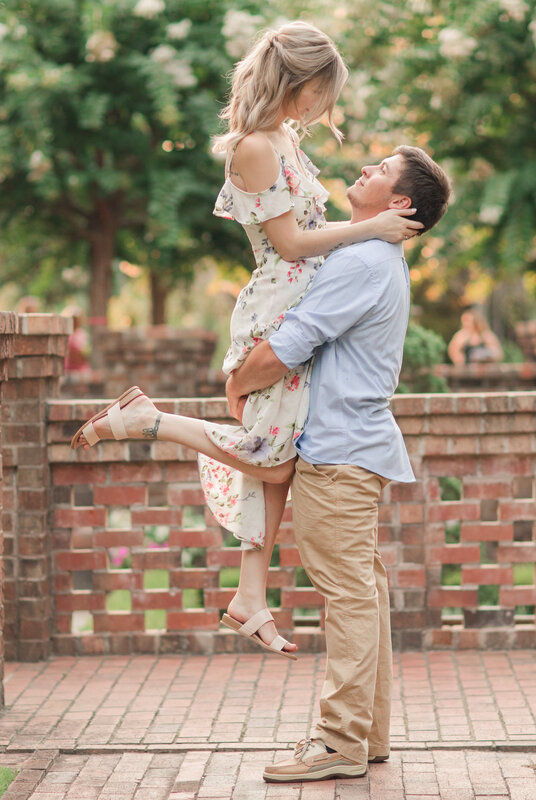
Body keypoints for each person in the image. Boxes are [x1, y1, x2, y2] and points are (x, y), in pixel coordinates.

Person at [70, 21, 420, 659]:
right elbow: (287, 246)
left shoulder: (281, 137)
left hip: (299, 298)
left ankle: (250, 596)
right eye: (322, 91)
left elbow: (308, 235)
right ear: (298, 81)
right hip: (277, 306)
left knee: (278, 456)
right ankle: (149, 420)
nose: (323, 107)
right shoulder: (254, 147)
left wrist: (365, 231)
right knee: (274, 455)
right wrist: (368, 231)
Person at [226, 145, 452, 781]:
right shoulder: (369, 254)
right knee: (363, 591)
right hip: (352, 447)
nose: (364, 171)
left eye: (380, 170)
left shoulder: (364, 261)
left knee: (348, 596)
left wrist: (238, 382)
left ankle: (339, 741)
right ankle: (366, 736)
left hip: (337, 452)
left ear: (401, 203)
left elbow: (294, 343)